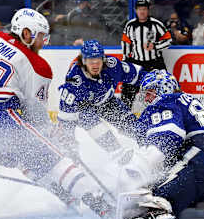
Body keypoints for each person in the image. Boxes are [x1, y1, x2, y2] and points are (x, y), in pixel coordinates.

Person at [0, 8, 116, 219]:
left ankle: (66, 196)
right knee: (53, 157)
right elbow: (36, 115)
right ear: (26, 34)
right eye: (40, 36)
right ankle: (103, 205)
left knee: (25, 157)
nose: (44, 42)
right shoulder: (38, 65)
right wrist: (55, 141)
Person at [115, 70, 204, 219]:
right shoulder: (185, 100)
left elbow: (168, 137)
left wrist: (138, 170)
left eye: (150, 92)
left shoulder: (165, 100)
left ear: (162, 89)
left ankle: (156, 210)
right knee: (190, 189)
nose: (147, 98)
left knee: (158, 193)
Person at [55, 39, 146, 167]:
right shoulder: (75, 80)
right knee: (87, 117)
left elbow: (138, 75)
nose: (95, 64)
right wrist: (68, 145)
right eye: (91, 61)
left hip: (107, 102)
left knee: (136, 128)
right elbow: (65, 119)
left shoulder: (112, 65)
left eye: (98, 60)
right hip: (83, 109)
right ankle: (117, 153)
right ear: (84, 61)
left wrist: (152, 81)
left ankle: (150, 151)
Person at [120, 0, 171, 109]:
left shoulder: (156, 24)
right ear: (135, 10)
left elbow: (168, 40)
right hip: (136, 64)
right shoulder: (130, 25)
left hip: (155, 64)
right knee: (127, 93)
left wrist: (155, 46)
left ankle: (166, 114)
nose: (142, 11)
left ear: (148, 10)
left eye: (144, 9)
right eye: (139, 9)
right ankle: (124, 119)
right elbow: (125, 43)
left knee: (163, 91)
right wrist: (125, 61)